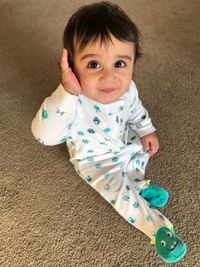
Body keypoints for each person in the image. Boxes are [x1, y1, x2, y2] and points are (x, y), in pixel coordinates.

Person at [31, 1, 186, 263]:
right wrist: (66, 92)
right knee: (120, 195)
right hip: (95, 162)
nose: (109, 77)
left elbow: (136, 110)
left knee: (142, 146)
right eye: (93, 65)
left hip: (121, 142)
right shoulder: (73, 101)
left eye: (120, 64)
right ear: (71, 65)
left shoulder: (128, 89)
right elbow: (44, 135)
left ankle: (140, 183)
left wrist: (147, 129)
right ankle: (158, 229)